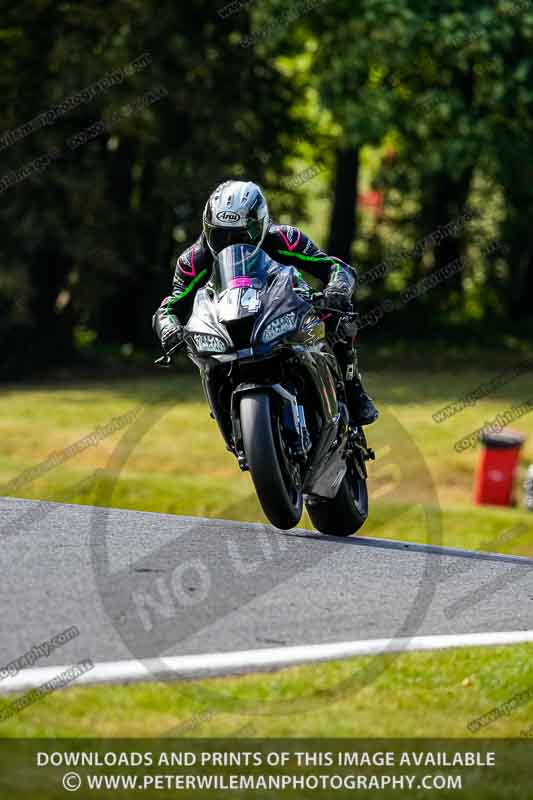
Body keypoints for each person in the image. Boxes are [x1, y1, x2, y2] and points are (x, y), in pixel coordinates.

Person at [153, 180, 378, 425]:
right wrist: (169, 328)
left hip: (281, 307)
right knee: (204, 359)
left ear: (260, 223)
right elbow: (169, 307)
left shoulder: (284, 238)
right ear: (208, 229)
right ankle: (229, 416)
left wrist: (337, 289)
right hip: (227, 322)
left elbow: (335, 267)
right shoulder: (193, 261)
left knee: (338, 316)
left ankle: (354, 388)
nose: (231, 242)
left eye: (241, 235)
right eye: (221, 235)